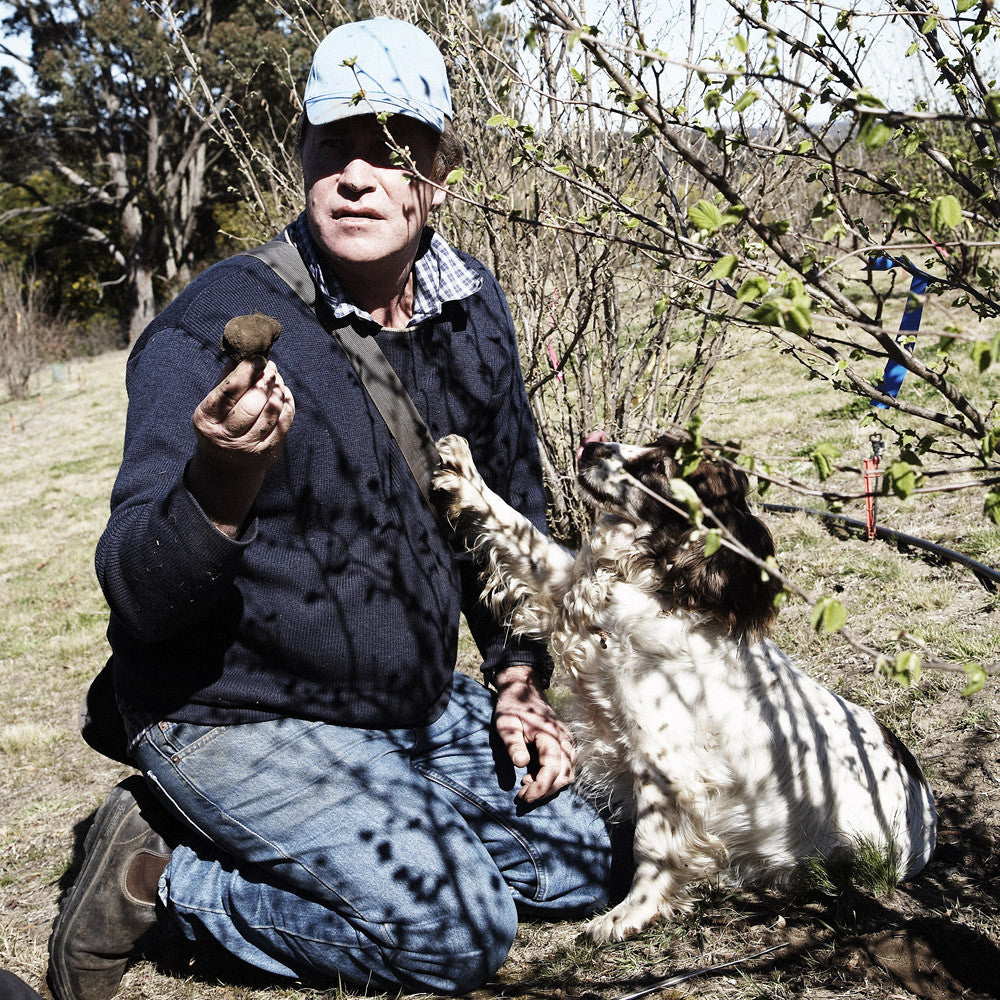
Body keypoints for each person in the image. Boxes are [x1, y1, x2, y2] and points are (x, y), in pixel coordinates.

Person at [47, 18, 613, 1000]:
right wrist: (219, 484)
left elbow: (507, 517)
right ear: (302, 158)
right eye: (331, 145)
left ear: (439, 173)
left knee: (578, 860)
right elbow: (137, 595)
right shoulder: (208, 334)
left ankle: (311, 828)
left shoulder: (472, 311)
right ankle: (161, 875)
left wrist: (519, 675)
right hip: (225, 706)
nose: (356, 174)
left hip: (394, 698)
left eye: (391, 148)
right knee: (457, 931)